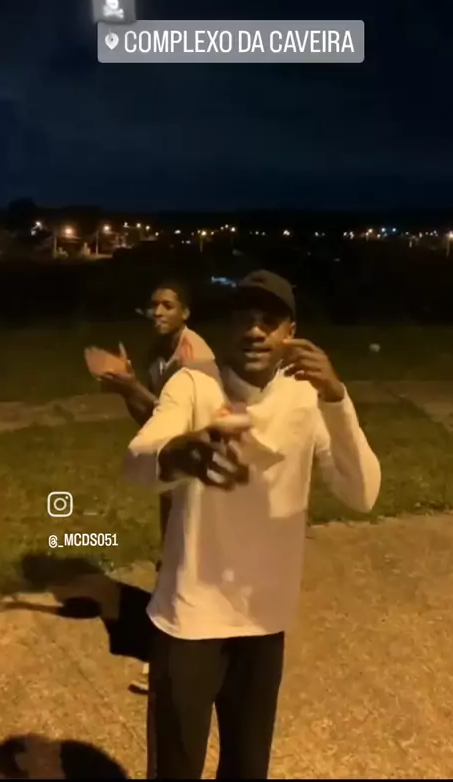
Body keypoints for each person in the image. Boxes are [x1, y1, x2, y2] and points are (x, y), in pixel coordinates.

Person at [125, 269, 381, 780]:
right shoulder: (194, 384)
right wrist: (176, 454)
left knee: (247, 768)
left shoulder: (306, 397)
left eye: (270, 320)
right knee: (175, 769)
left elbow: (362, 494)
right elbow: (138, 460)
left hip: (264, 623)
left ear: (291, 332)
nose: (255, 331)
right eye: (244, 318)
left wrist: (336, 397)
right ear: (228, 326)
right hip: (189, 620)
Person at [84, 279, 214, 693]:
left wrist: (130, 385)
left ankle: (177, 660)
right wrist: (126, 389)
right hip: (173, 468)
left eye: (168, 305)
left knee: (188, 561)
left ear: (185, 313)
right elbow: (150, 420)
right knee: (176, 558)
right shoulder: (159, 354)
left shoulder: (195, 357)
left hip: (200, 474)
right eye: (154, 304)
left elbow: (177, 420)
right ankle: (175, 651)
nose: (158, 312)